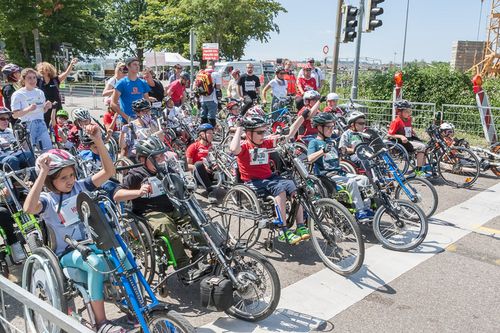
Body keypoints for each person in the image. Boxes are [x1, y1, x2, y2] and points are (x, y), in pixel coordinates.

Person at [23, 124, 124, 333]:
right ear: (51, 181)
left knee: (123, 253)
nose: (70, 181)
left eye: (71, 175)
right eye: (63, 178)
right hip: (67, 253)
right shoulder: (47, 200)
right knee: (95, 263)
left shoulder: (80, 187)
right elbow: (28, 208)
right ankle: (101, 322)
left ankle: (131, 304)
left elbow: (109, 171)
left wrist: (98, 141)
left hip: (92, 243)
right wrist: (42, 173)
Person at [114, 137, 206, 282]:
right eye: (156, 157)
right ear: (143, 159)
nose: (162, 159)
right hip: (150, 213)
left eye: (162, 155)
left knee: (194, 219)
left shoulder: (165, 170)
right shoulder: (136, 174)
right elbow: (117, 195)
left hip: (171, 207)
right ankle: (184, 268)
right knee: (167, 228)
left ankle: (201, 256)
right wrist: (138, 192)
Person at [230, 100, 321, 245]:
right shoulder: (244, 147)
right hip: (253, 182)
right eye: (259, 132)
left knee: (295, 186)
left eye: (264, 131)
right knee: (279, 190)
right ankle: (283, 230)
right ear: (248, 134)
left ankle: (301, 226)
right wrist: (240, 127)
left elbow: (289, 134)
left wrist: (302, 117)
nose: (263, 134)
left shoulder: (265, 143)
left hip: (269, 177)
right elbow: (233, 149)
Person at [307, 113, 374, 222]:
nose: (331, 130)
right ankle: (359, 211)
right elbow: (310, 159)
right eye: (329, 127)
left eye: (333, 127)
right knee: (351, 182)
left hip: (339, 173)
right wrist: (322, 151)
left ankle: (366, 208)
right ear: (319, 128)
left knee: (364, 179)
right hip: (326, 176)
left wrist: (341, 152)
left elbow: (336, 158)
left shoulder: (331, 141)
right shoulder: (314, 142)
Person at [11, 68, 53, 152]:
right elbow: (14, 115)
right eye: (29, 78)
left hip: (41, 123)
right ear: (23, 80)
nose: (33, 80)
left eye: (34, 77)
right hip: (27, 125)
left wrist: (47, 107)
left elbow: (42, 111)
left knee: (48, 150)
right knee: (29, 152)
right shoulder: (18, 94)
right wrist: (28, 109)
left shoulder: (40, 92)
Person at [387, 100, 427, 173]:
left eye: (410, 111)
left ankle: (423, 167)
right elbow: (389, 134)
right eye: (406, 111)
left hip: (409, 139)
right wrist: (401, 136)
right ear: (399, 112)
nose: (409, 113)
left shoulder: (408, 119)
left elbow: (409, 128)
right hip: (402, 142)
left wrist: (414, 132)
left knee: (426, 146)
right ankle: (419, 171)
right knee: (422, 147)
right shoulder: (396, 121)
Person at [36, 59, 78, 127]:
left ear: (48, 70)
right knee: (44, 127)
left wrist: (71, 64)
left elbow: (66, 73)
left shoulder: (55, 80)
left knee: (58, 127)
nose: (42, 71)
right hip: (44, 108)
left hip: (56, 108)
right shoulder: (38, 81)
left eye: (44, 69)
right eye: (40, 69)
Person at [111, 57, 151, 124]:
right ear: (128, 66)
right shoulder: (121, 83)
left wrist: (148, 115)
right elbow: (113, 103)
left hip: (141, 120)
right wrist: (127, 118)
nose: (137, 66)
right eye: (134, 64)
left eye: (138, 64)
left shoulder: (143, 82)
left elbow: (147, 101)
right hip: (126, 121)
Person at [186, 124, 217, 201]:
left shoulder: (212, 146)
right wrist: (203, 167)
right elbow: (187, 166)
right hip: (199, 174)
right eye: (209, 133)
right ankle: (210, 192)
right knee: (198, 164)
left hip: (212, 173)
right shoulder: (193, 146)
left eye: (212, 133)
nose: (212, 135)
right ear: (202, 134)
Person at [194, 61, 221, 126]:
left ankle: (203, 134)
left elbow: (195, 86)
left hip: (202, 99)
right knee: (211, 118)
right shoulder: (216, 74)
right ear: (214, 66)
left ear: (206, 66)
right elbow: (218, 87)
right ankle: (210, 134)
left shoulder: (200, 74)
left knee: (203, 118)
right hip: (212, 99)